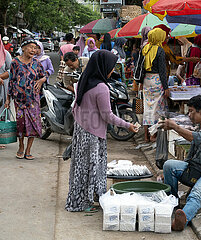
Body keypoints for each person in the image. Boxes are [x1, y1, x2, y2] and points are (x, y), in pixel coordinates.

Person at [65, 50, 137, 212]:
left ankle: (79, 199)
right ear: (103, 66)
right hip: (93, 135)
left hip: (81, 132)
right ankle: (89, 200)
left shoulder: (84, 79)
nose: (112, 70)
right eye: (111, 67)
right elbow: (108, 116)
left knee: (81, 168)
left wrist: (82, 125)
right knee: (94, 168)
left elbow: (75, 107)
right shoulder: (102, 87)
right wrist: (128, 125)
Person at [160, 95, 201, 231]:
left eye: (191, 111)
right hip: (196, 168)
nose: (189, 115)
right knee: (169, 166)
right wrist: (175, 173)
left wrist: (175, 127)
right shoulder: (199, 127)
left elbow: (197, 138)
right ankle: (172, 203)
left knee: (196, 194)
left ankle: (184, 218)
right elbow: (190, 157)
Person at [4, 37, 47, 160]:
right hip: (19, 100)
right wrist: (8, 99)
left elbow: (44, 76)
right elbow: (11, 81)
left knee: (33, 124)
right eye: (31, 47)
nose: (34, 50)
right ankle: (21, 146)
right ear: (23, 48)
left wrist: (40, 80)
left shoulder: (37, 63)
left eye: (35, 48)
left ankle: (28, 149)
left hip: (33, 100)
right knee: (21, 125)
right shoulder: (15, 62)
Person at [138, 28, 169, 142]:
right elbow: (162, 71)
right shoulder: (160, 51)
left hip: (147, 80)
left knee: (148, 108)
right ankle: (153, 135)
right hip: (157, 81)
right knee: (157, 108)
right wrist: (166, 88)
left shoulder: (144, 48)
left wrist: (140, 83)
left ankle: (146, 136)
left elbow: (141, 68)